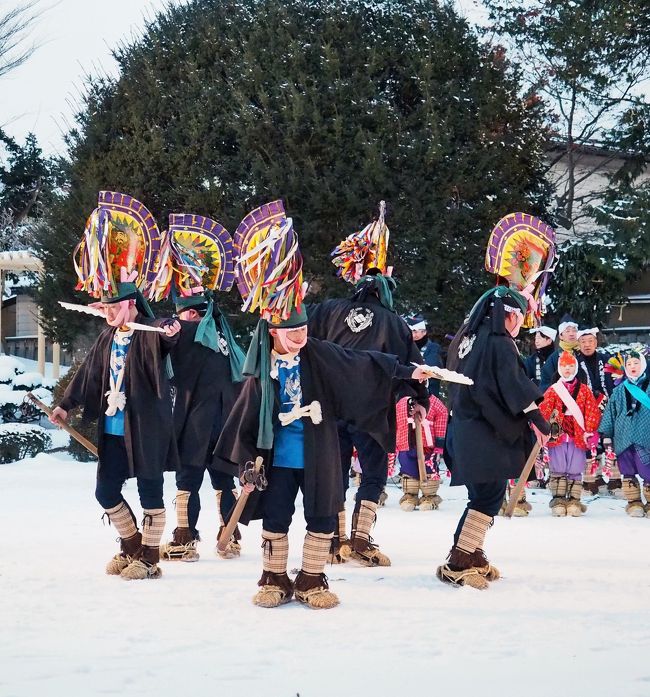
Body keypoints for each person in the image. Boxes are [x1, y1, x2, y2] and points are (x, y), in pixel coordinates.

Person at [214, 203, 431, 608]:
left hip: (318, 452)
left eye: (302, 329)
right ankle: (274, 577)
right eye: (290, 332)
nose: (299, 337)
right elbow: (244, 414)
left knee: (321, 515)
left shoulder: (320, 352)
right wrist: (245, 462)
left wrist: (408, 374)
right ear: (272, 333)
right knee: (276, 517)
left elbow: (364, 363)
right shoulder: (262, 370)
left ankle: (313, 578)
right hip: (276, 459)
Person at [51, 191, 180, 580]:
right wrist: (65, 405)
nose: (106, 313)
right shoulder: (108, 338)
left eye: (112, 307)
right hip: (112, 428)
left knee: (150, 492)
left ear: (131, 305)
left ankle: (151, 558)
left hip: (146, 427)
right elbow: (89, 373)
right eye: (103, 308)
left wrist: (170, 330)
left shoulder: (148, 330)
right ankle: (131, 544)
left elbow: (166, 335)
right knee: (105, 491)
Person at [436, 286, 550, 589]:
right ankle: (458, 561)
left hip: (463, 427)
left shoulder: (467, 335)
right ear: (508, 315)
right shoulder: (498, 342)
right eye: (519, 317)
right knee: (488, 495)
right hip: (481, 430)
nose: (520, 325)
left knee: (484, 494)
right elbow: (512, 383)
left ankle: (469, 553)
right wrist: (536, 418)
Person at [159, 292, 245, 561]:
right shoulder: (222, 336)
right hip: (226, 419)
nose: (177, 320)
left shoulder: (189, 331)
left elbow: (152, 338)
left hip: (196, 419)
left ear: (192, 314)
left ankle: (184, 540)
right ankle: (229, 537)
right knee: (223, 479)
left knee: (187, 480)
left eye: (180, 314)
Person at [539, 351, 601, 516]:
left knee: (575, 467)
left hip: (578, 433)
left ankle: (574, 500)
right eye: (564, 366)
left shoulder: (585, 390)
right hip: (557, 433)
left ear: (576, 367)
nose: (567, 369)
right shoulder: (553, 390)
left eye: (571, 366)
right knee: (557, 467)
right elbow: (544, 410)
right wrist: (542, 428)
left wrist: (589, 429)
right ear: (559, 368)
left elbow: (592, 411)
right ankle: (558, 499)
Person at [599, 351, 650, 517]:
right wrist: (607, 434)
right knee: (627, 470)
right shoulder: (619, 390)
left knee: (648, 470)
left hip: (646, 436)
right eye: (629, 364)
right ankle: (633, 502)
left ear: (643, 364)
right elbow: (610, 413)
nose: (632, 367)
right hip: (623, 436)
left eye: (636, 363)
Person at [575, 326, 619, 496]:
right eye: (583, 342)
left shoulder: (607, 360)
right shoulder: (575, 362)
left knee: (609, 441)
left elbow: (616, 382)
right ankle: (592, 479)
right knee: (590, 442)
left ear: (596, 342)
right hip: (585, 409)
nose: (587, 345)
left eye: (590, 341)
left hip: (608, 407)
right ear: (578, 344)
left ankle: (614, 480)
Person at [394, 394, 448, 511]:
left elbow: (442, 414)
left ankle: (430, 497)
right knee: (408, 469)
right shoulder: (402, 402)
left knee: (429, 470)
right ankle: (410, 496)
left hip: (427, 445)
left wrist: (439, 441)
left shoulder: (432, 401)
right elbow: (396, 419)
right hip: (406, 443)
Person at [405, 313, 444, 397]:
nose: (413, 335)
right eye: (410, 331)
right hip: (406, 393)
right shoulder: (406, 346)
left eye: (415, 331)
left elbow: (432, 367)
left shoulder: (433, 348)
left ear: (424, 332)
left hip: (428, 393)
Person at [540, 314, 579, 391]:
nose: (571, 334)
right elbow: (545, 384)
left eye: (574, 330)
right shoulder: (553, 359)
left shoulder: (583, 353)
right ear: (561, 336)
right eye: (567, 331)